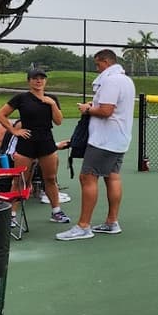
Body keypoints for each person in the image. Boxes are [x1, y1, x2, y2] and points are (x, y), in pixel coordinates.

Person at [56, 49, 136, 240]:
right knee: (112, 176)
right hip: (119, 139)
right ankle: (111, 222)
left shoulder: (111, 80)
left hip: (104, 140)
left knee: (87, 177)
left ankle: (83, 226)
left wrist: (88, 109)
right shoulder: (126, 80)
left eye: (98, 64)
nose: (97, 68)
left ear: (106, 62)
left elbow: (107, 111)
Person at [0, 68, 69, 223]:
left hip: (46, 141)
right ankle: (12, 216)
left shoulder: (51, 98)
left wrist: (53, 104)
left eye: (42, 78)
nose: (39, 81)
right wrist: (14, 130)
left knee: (50, 178)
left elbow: (59, 121)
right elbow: (1, 115)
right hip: (26, 142)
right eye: (35, 78)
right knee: (20, 180)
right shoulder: (21, 98)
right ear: (29, 81)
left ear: (45, 81)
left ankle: (56, 212)